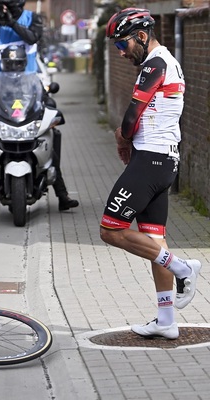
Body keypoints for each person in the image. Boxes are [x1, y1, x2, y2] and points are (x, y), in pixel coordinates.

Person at [101, 8, 202, 339]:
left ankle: (183, 267)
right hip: (163, 160)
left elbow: (131, 119)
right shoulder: (165, 62)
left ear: (141, 36)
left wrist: (120, 136)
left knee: (110, 230)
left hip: (151, 161)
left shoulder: (155, 64)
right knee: (153, 239)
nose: (120, 52)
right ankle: (166, 320)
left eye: (122, 44)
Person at [0, 1, 78, 215]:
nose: (5, 8)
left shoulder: (32, 18)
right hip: (1, 84)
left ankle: (62, 195)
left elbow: (32, 37)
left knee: (47, 138)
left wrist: (11, 23)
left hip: (30, 85)